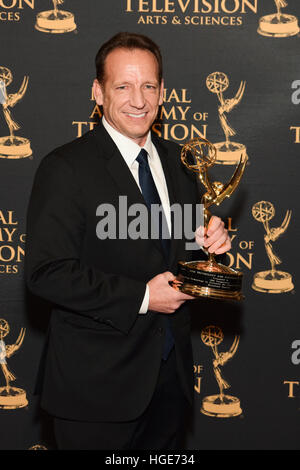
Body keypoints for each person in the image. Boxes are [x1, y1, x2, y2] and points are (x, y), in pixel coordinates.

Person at [25, 32, 231, 450]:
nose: (138, 100)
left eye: (149, 86)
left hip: (170, 386)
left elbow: (180, 256)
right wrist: (142, 296)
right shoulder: (65, 167)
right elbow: (47, 274)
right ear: (98, 92)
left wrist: (212, 245)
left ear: (163, 92)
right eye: (123, 86)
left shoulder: (182, 163)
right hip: (94, 392)